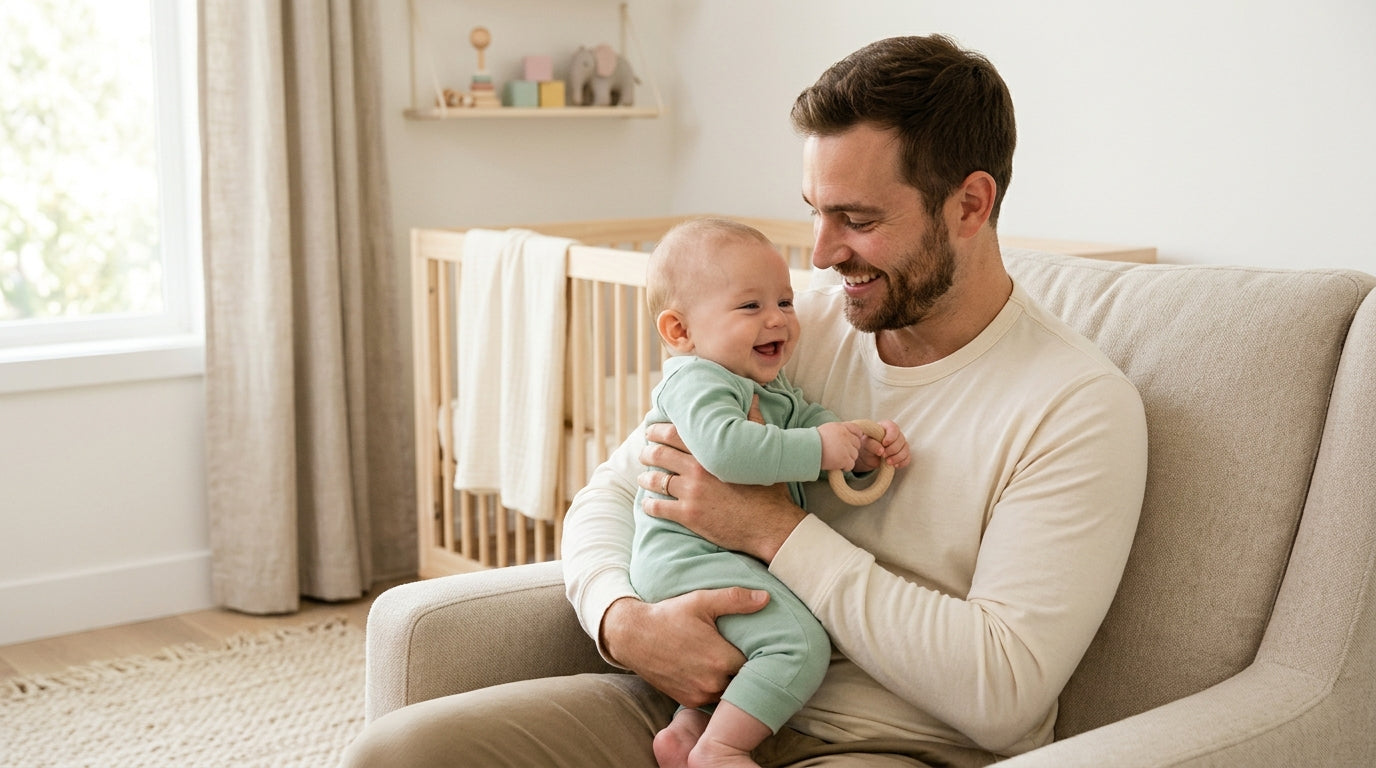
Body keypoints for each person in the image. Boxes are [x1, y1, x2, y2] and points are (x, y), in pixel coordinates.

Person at [342, 33, 1147, 768]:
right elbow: (610, 494)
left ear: (970, 204)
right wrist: (624, 623)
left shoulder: (1073, 407)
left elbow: (1003, 692)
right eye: (816, 214)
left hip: (885, 742)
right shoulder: (792, 328)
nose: (824, 254)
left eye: (857, 219)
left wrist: (770, 527)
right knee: (401, 754)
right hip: (692, 707)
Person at [632, 217, 910, 767]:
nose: (777, 319)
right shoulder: (696, 380)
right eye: (750, 307)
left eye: (784, 302)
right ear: (680, 332)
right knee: (798, 643)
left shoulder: (770, 385)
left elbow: (813, 426)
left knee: (767, 631)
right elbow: (726, 450)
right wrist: (820, 447)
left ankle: (688, 730)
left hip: (723, 555)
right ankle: (721, 750)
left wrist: (857, 450)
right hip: (687, 556)